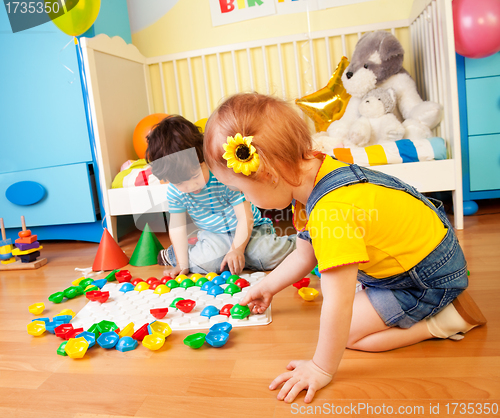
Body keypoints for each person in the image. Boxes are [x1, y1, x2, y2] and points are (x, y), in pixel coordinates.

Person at [203, 93, 487, 404]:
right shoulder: (314, 170)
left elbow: (338, 305)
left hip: (424, 279)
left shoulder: (330, 211)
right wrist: (268, 286)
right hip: (421, 254)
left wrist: (321, 368)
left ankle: (444, 321)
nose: (245, 201)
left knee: (347, 333)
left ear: (269, 174)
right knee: (337, 309)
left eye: (241, 191)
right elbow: (303, 254)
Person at [145, 115, 296, 278]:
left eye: (195, 176)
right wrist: (182, 264)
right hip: (214, 235)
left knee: (267, 255)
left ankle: (306, 242)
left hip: (251, 230)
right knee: (205, 263)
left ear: (204, 157)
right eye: (181, 183)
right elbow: (178, 227)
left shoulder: (224, 177)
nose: (190, 187)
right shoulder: (176, 191)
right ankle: (175, 254)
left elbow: (245, 218)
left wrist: (237, 249)